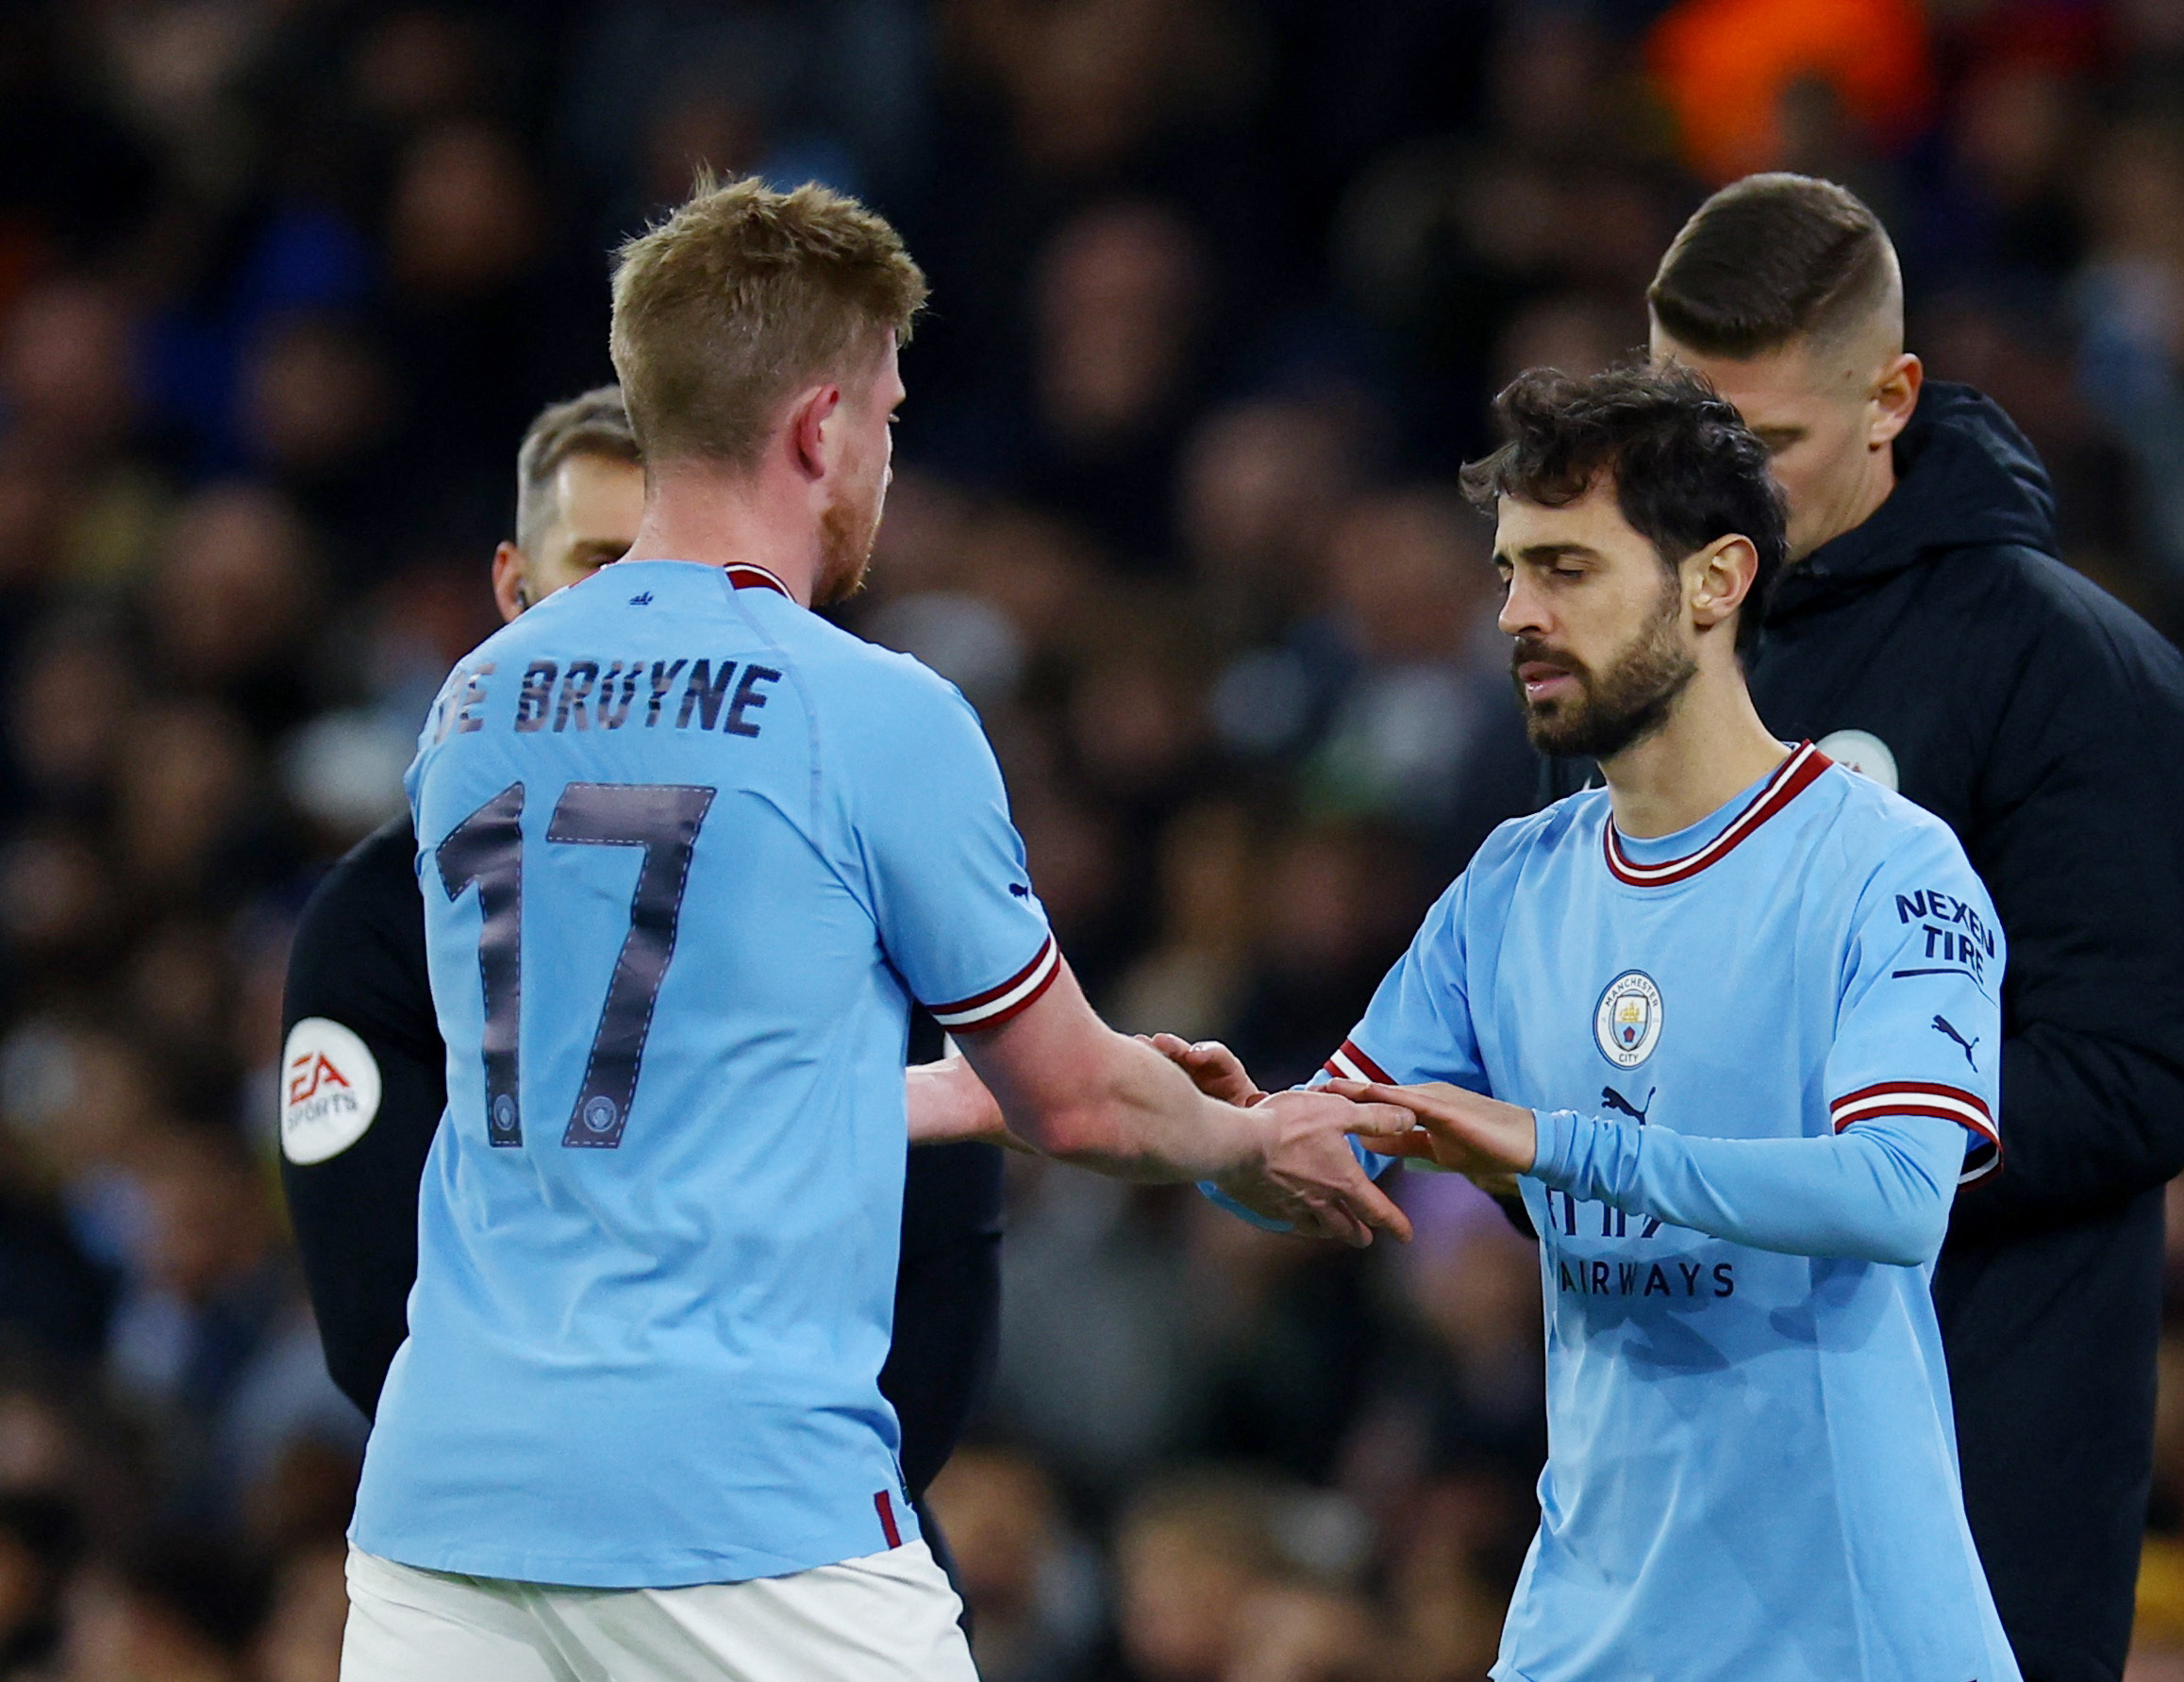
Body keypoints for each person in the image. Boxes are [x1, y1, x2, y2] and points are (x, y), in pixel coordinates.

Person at [338, 176, 1410, 1682]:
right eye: (892, 417)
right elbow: (1084, 1094)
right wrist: (1251, 1142)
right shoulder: (870, 709)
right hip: (736, 1504)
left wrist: (931, 1091)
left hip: (443, 1506)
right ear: (822, 426)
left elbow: (610, 1092)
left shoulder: (472, 700)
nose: (888, 460)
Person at [1236, 360, 2021, 1679]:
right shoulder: (1509, 885)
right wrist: (1131, 1112)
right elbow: (1315, 1159)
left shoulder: (1888, 863)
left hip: (1847, 1642)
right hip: (1584, 1636)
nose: (1515, 615)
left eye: (1567, 570)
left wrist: (1556, 1144)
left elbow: (1895, 1193)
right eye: (1507, 573)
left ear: (1715, 580)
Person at [1598, 173, 2184, 1682]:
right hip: (1669, 1458)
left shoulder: (2077, 678)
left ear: (1890, 400)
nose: (1705, 490)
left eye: (1760, 446)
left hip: (1962, 1458)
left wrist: (1788, 1148)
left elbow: (2134, 1075)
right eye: (1677, 433)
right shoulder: (1638, 649)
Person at [277, 386, 1002, 1545]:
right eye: (601, 561)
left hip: (808, 1518)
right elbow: (374, 1313)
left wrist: (790, 1506)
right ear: (513, 589)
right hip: (524, 1528)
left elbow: (941, 1253)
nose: (642, 607)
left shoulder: (847, 846)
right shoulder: (380, 916)